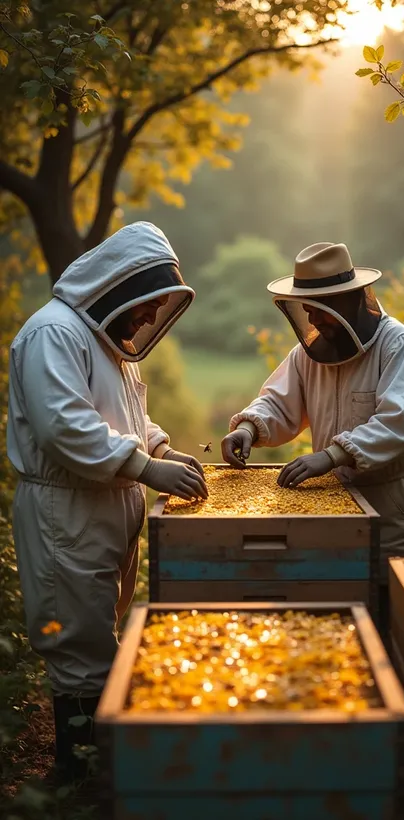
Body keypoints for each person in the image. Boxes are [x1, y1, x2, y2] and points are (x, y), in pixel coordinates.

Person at [7, 221, 207, 781]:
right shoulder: (54, 333)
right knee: (77, 641)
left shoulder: (108, 343)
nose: (146, 319)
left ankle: (100, 760)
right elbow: (65, 428)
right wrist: (146, 468)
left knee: (100, 624)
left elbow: (126, 420)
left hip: (105, 506)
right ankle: (75, 773)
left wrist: (161, 446)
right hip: (65, 509)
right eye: (145, 305)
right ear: (120, 286)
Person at [221, 241, 404, 630]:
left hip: (391, 505)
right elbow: (279, 403)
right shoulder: (309, 354)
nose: (313, 319)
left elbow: (400, 423)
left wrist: (332, 455)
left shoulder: (395, 342)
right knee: (342, 608)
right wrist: (249, 427)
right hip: (336, 505)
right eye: (307, 310)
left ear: (348, 302)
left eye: (320, 310)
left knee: (399, 619)